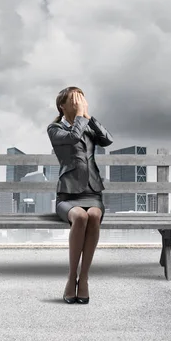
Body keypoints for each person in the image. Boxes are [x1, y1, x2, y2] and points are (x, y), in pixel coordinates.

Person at [47, 87, 113, 304]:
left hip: (92, 193)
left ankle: (83, 278)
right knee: (81, 217)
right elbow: (74, 137)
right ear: (62, 106)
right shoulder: (55, 129)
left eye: (81, 100)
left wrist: (88, 116)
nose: (79, 103)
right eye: (74, 100)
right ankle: (71, 277)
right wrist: (79, 117)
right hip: (68, 197)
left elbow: (107, 140)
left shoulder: (86, 124)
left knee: (93, 215)